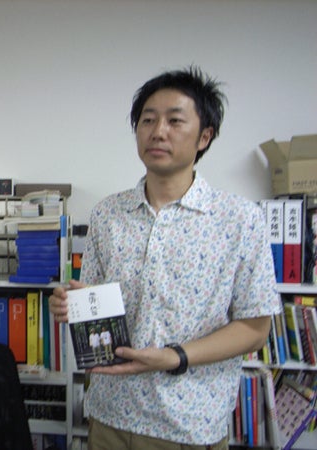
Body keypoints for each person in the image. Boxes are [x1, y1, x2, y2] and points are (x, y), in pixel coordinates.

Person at [50, 67, 280, 449]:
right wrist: (70, 304)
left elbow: (255, 327)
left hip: (188, 424)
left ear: (204, 136)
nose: (158, 132)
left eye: (175, 121)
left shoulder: (239, 219)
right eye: (148, 120)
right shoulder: (108, 213)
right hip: (109, 414)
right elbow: (92, 300)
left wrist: (175, 357)